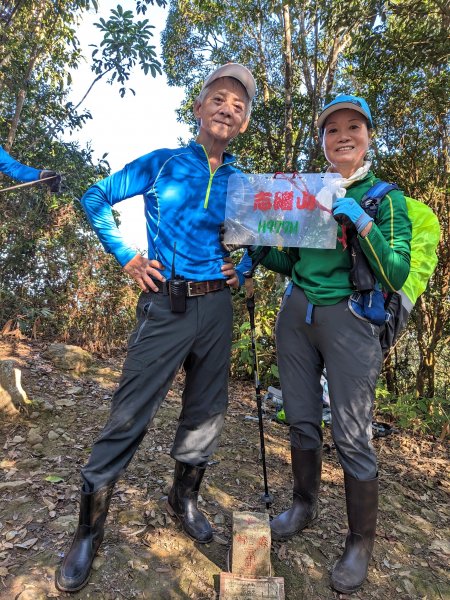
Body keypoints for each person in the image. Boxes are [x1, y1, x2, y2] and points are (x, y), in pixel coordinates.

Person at [55, 62, 256, 593]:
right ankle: (87, 531)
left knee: (206, 412)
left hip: (217, 309)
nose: (227, 108)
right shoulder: (164, 162)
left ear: (244, 121)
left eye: (238, 105)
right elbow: (95, 196)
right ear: (198, 106)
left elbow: (254, 239)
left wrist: (247, 266)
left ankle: (182, 497)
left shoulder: (243, 181)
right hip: (164, 305)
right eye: (218, 97)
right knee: (128, 414)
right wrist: (126, 255)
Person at [252, 95, 411, 594]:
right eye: (331, 129)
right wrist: (257, 248)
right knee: (300, 416)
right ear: (322, 141)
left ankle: (360, 542)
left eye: (353, 127)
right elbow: (294, 264)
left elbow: (398, 271)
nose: (342, 136)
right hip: (297, 314)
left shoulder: (386, 199)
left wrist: (362, 223)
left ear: (368, 136)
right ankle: (303, 504)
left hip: (352, 320)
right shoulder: (310, 192)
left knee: (351, 433)